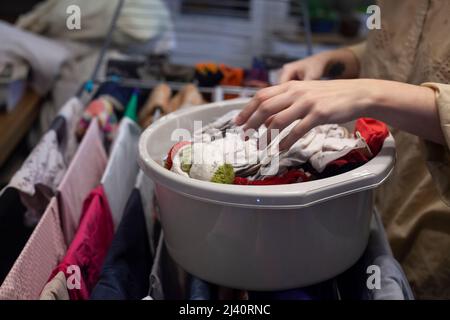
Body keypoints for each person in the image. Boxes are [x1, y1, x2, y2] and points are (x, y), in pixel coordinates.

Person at [236, 0, 450, 299]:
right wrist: (340, 59)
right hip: (368, 209)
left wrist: (370, 93)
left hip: (432, 232)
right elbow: (399, 50)